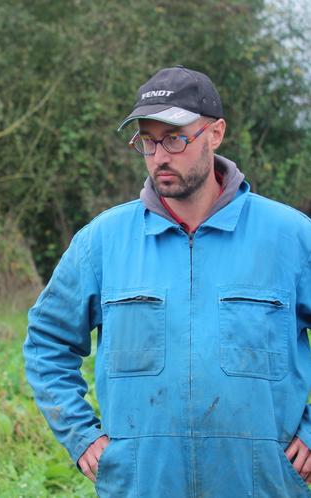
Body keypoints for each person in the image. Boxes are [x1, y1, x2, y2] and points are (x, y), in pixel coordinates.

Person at [23, 66, 311, 497]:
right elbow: (47, 342)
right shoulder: (103, 241)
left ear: (215, 134)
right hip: (144, 484)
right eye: (147, 140)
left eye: (175, 138)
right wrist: (81, 435)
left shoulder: (290, 237)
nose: (159, 156)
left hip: (261, 484)